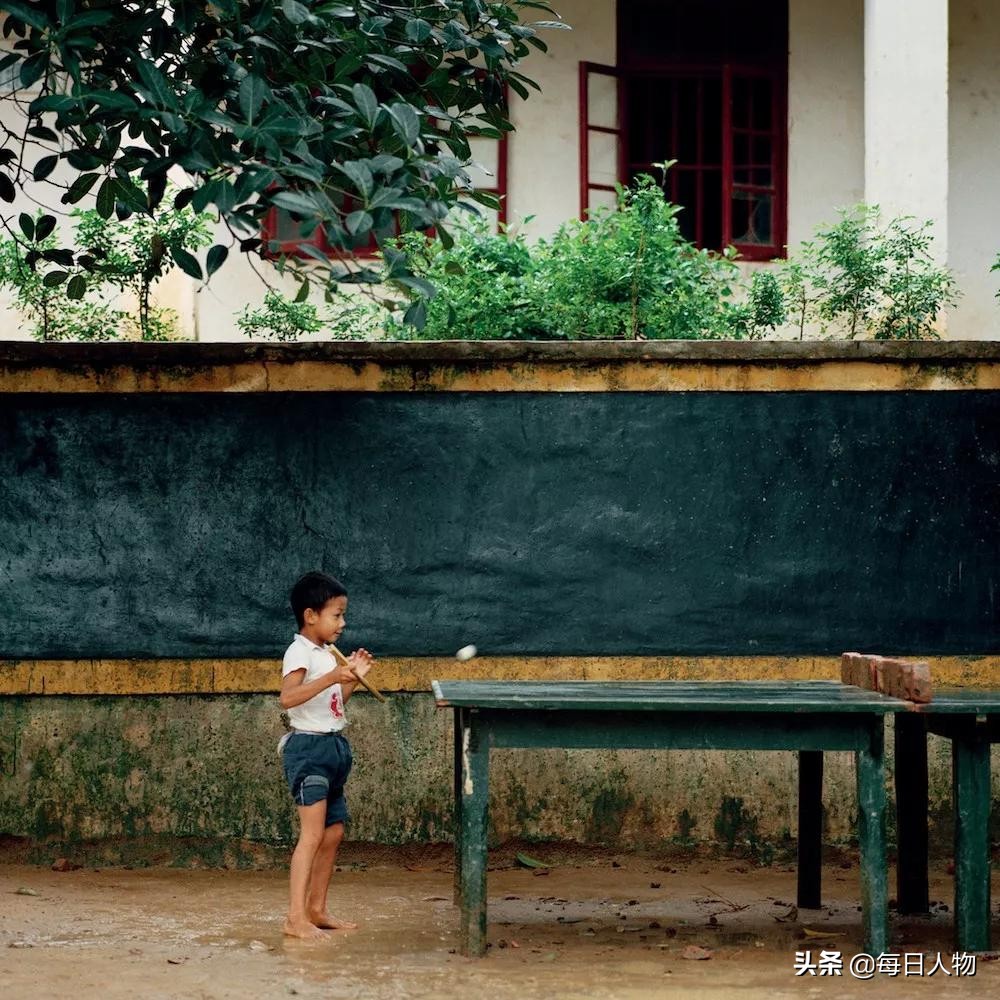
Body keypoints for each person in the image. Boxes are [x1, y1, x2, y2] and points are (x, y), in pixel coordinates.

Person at [279, 571, 374, 939]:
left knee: (333, 833)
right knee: (312, 834)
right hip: (308, 751)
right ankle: (294, 917)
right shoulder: (299, 651)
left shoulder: (325, 655)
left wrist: (348, 680)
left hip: (334, 747)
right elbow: (288, 699)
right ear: (310, 615)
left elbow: (332, 706)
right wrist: (334, 676)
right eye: (336, 614)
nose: (342, 622)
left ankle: (316, 909)